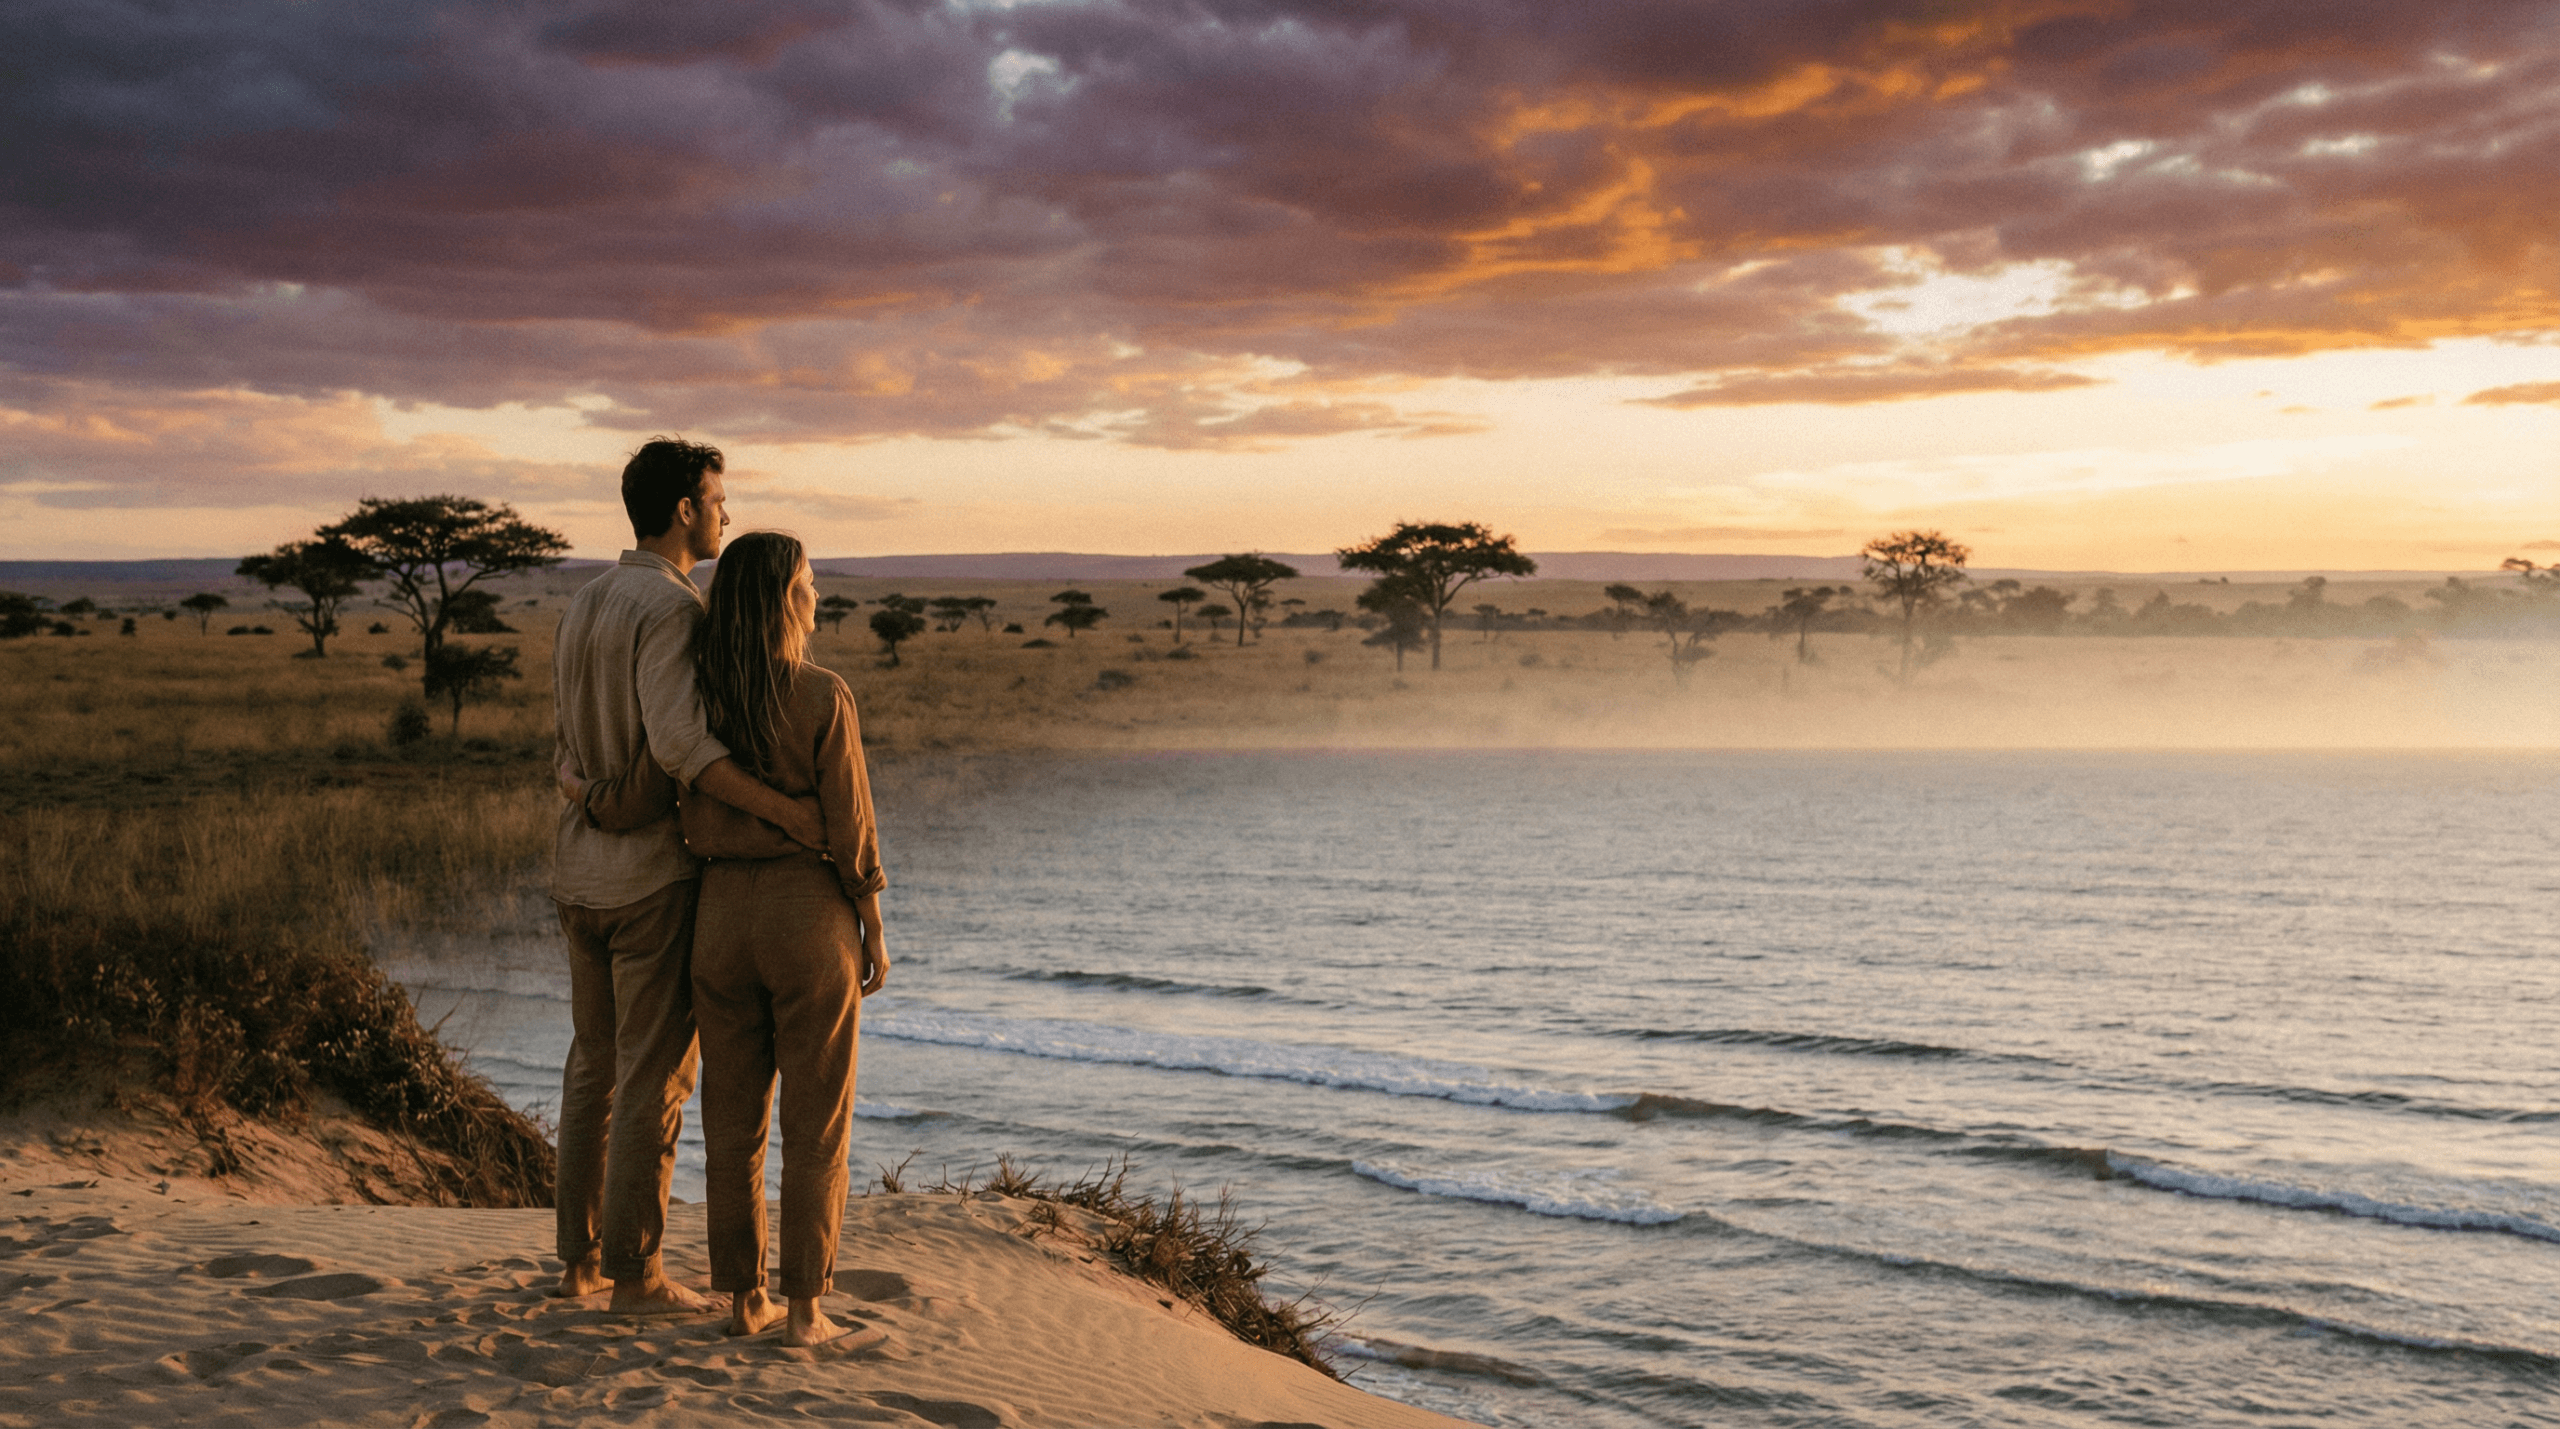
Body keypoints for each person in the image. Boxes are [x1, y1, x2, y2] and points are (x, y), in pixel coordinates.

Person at [548, 437, 824, 1314]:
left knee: (590, 1067)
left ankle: (576, 1262)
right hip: (648, 881)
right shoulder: (671, 610)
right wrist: (784, 812)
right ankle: (636, 1275)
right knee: (652, 1079)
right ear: (683, 510)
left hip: (576, 872)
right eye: (717, 498)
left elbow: (566, 745)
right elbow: (679, 747)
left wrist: (585, 793)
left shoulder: (586, 597)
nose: (725, 514)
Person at [678, 530, 889, 1347]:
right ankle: (805, 1306)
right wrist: (871, 919)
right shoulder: (821, 694)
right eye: (807, 582)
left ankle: (741, 1299)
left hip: (720, 917)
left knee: (730, 1121)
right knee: (816, 1120)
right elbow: (853, 828)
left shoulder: (696, 698)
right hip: (809, 916)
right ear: (782, 599)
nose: (816, 595)